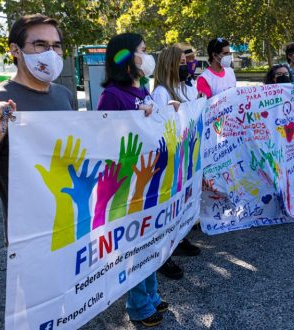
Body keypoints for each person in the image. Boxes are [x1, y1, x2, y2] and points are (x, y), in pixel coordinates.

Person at [0, 14, 74, 244]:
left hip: (74, 222)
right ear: (15, 50)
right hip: (30, 238)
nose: (50, 53)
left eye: (56, 46)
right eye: (40, 44)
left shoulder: (65, 95)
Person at [97, 33, 167, 327]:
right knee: (133, 247)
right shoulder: (112, 94)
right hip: (127, 185)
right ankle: (138, 305)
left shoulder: (144, 88)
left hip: (148, 181)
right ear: (127, 57)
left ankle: (151, 296)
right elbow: (100, 138)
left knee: (149, 241)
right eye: (142, 50)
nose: (147, 56)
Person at [152, 46, 201, 281]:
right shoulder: (162, 92)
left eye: (186, 61)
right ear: (170, 64)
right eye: (181, 61)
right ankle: (164, 254)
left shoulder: (183, 87)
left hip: (185, 154)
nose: (186, 65)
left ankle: (179, 239)